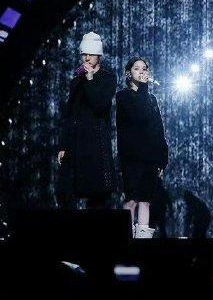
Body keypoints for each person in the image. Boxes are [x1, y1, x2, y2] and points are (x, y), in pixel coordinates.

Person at [56, 32, 117, 209]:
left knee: (97, 194)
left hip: (96, 140)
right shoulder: (76, 80)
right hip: (76, 140)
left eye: (91, 54)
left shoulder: (108, 78)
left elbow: (99, 105)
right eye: (84, 54)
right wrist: (64, 145)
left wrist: (90, 80)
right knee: (66, 191)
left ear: (99, 55)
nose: (87, 58)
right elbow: (70, 114)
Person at [116, 57, 169, 239]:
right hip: (131, 157)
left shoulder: (152, 99)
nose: (141, 71)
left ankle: (143, 243)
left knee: (145, 201)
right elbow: (138, 116)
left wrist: (162, 158)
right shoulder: (123, 96)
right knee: (131, 200)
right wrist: (144, 89)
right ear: (128, 73)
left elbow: (158, 128)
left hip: (150, 158)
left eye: (144, 68)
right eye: (137, 68)